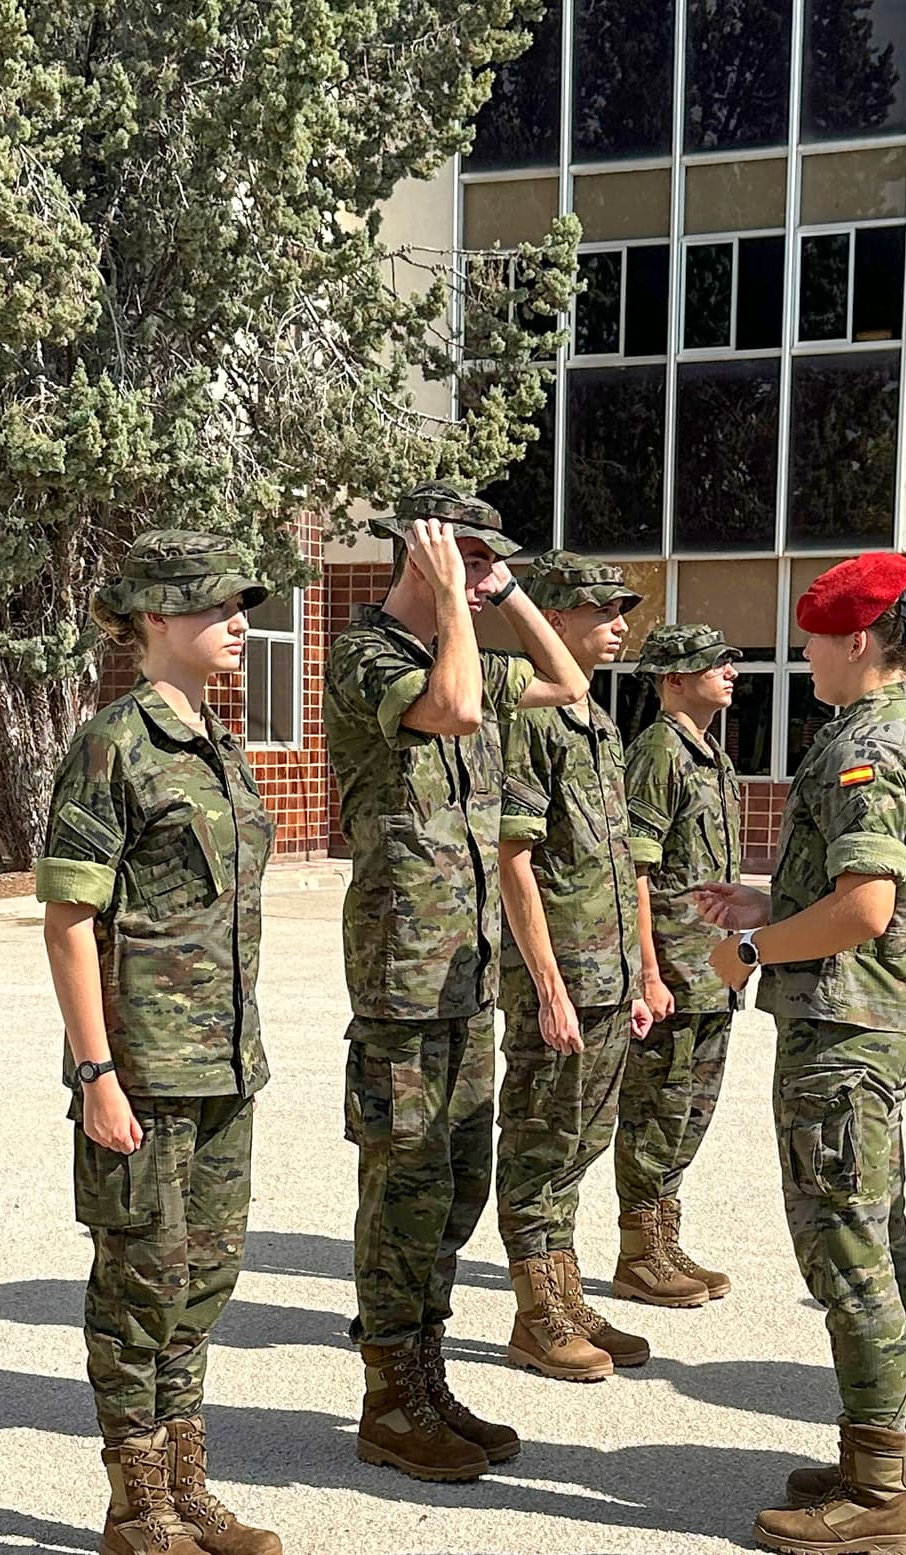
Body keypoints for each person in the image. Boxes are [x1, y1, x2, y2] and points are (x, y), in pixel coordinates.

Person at [325, 483, 588, 1483]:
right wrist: (446, 597)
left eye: (488, 566)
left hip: (462, 973)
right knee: (403, 1187)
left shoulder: (461, 636)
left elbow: (565, 685)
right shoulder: (369, 658)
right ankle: (388, 1400)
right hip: (400, 975)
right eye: (472, 561)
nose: (483, 581)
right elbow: (460, 707)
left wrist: (509, 593)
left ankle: (427, 1383)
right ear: (423, 555)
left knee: (453, 1189)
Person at [37, 529, 282, 1555]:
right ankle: (134, 1506)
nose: (238, 622)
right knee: (139, 1284)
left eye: (241, 606)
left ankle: (184, 1484)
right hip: (141, 1069)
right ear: (153, 621)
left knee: (203, 1281)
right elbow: (66, 920)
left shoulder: (217, 744)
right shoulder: (113, 745)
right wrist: (95, 1076)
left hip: (224, 1067)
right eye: (217, 605)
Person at [700, 552, 906, 1555]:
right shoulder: (872, 732)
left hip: (844, 1034)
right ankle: (898, 1460)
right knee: (877, 1238)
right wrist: (769, 907)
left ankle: (875, 1491)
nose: (797, 653)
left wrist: (750, 950)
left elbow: (864, 909)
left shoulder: (869, 748)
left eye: (808, 636)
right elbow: (849, 893)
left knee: (844, 1247)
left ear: (855, 639)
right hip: (861, 1020)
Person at [494, 553, 653, 1379]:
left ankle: (566, 1290)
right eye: (602, 609)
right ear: (554, 619)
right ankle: (536, 1314)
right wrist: (550, 986)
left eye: (622, 609)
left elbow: (616, 861)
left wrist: (635, 973)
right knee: (536, 1142)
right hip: (556, 979)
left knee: (582, 1140)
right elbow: (513, 858)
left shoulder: (599, 720)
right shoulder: (531, 718)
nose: (620, 622)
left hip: (606, 977)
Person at [612, 624, 743, 1308]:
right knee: (656, 1110)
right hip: (674, 972)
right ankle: (639, 1254)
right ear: (672, 679)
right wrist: (647, 972)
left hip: (712, 970)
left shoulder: (709, 756)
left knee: (692, 1111)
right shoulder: (658, 753)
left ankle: (663, 1238)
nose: (730, 669)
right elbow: (635, 869)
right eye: (714, 662)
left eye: (729, 661)